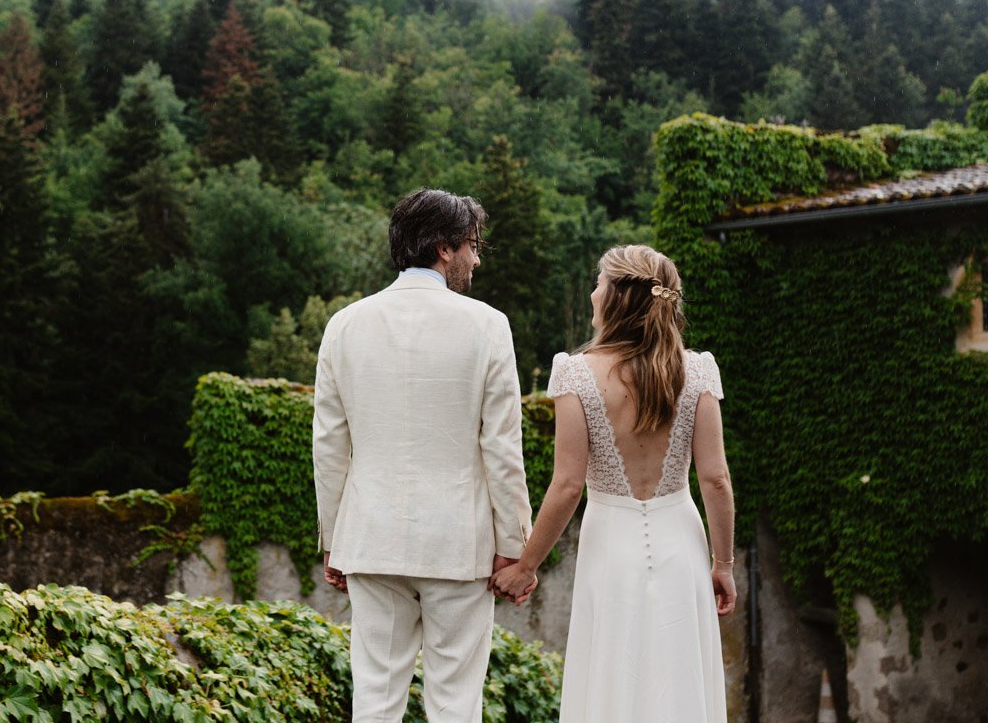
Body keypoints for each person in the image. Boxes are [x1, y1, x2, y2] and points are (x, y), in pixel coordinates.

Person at [313, 188, 534, 723]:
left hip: (371, 540)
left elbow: (329, 445)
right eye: (473, 246)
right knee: (456, 705)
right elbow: (502, 448)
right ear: (444, 248)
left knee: (374, 701)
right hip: (459, 544)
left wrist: (335, 539)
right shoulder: (488, 325)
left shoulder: (344, 324)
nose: (476, 260)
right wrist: (513, 547)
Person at [491, 244, 735, 722]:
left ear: (617, 297)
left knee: (613, 675)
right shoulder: (699, 370)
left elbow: (567, 486)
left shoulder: (576, 373)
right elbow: (716, 480)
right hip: (682, 547)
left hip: (609, 548)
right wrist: (723, 565)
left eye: (598, 283)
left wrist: (526, 566)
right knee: (678, 677)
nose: (592, 293)